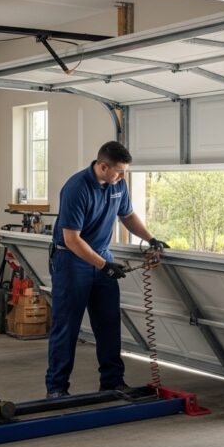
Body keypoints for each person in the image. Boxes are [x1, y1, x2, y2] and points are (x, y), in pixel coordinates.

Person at [45, 141, 168, 398]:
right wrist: (103, 266)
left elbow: (128, 215)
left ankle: (112, 381)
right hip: (72, 261)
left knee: (109, 324)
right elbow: (71, 239)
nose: (123, 176)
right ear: (103, 166)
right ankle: (57, 388)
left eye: (125, 172)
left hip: (102, 256)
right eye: (119, 171)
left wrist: (151, 238)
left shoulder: (118, 185)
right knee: (66, 326)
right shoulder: (76, 188)